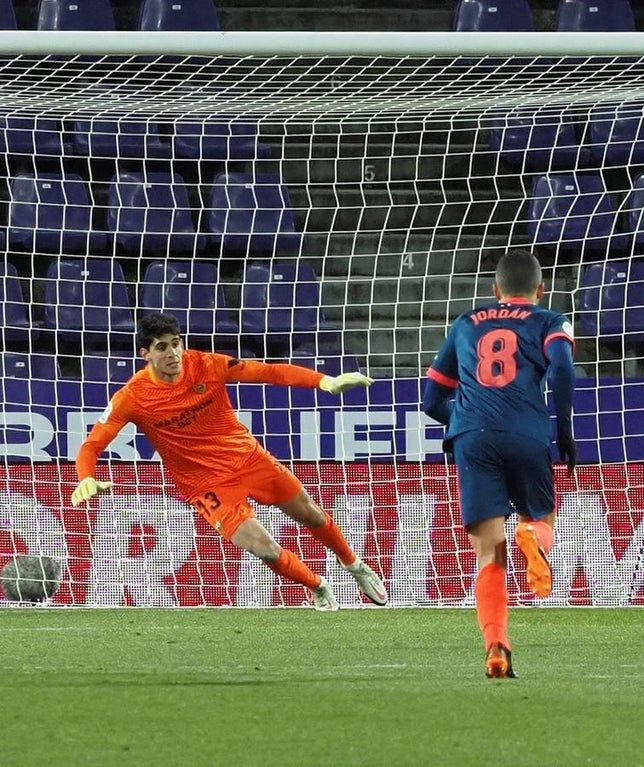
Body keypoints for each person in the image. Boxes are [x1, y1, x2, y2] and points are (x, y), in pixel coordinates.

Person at [70, 312, 389, 611]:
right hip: (206, 485)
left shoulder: (207, 365)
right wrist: (86, 476)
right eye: (162, 347)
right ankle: (316, 585)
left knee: (312, 515)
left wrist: (324, 382)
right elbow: (92, 445)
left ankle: (354, 565)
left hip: (249, 458)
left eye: (176, 343)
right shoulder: (132, 397)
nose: (173, 353)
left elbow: (269, 372)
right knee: (264, 548)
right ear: (146, 354)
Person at [422, 250, 577, 678]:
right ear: (540, 289)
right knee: (540, 518)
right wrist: (564, 428)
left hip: (472, 438)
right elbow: (563, 368)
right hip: (526, 430)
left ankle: (496, 646)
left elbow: (431, 400)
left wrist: (467, 422)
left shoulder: (465, 323)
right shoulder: (550, 320)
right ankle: (532, 535)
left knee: (489, 554)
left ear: (496, 290)